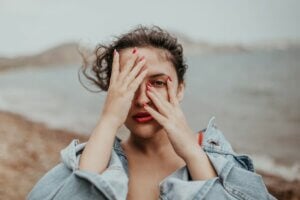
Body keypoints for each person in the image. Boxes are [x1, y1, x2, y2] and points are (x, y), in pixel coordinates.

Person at [28, 25, 276, 200]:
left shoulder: (219, 159)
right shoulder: (95, 160)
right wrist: (108, 121)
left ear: (180, 89)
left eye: (157, 83)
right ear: (113, 92)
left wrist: (192, 153)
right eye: (130, 83)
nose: (142, 99)